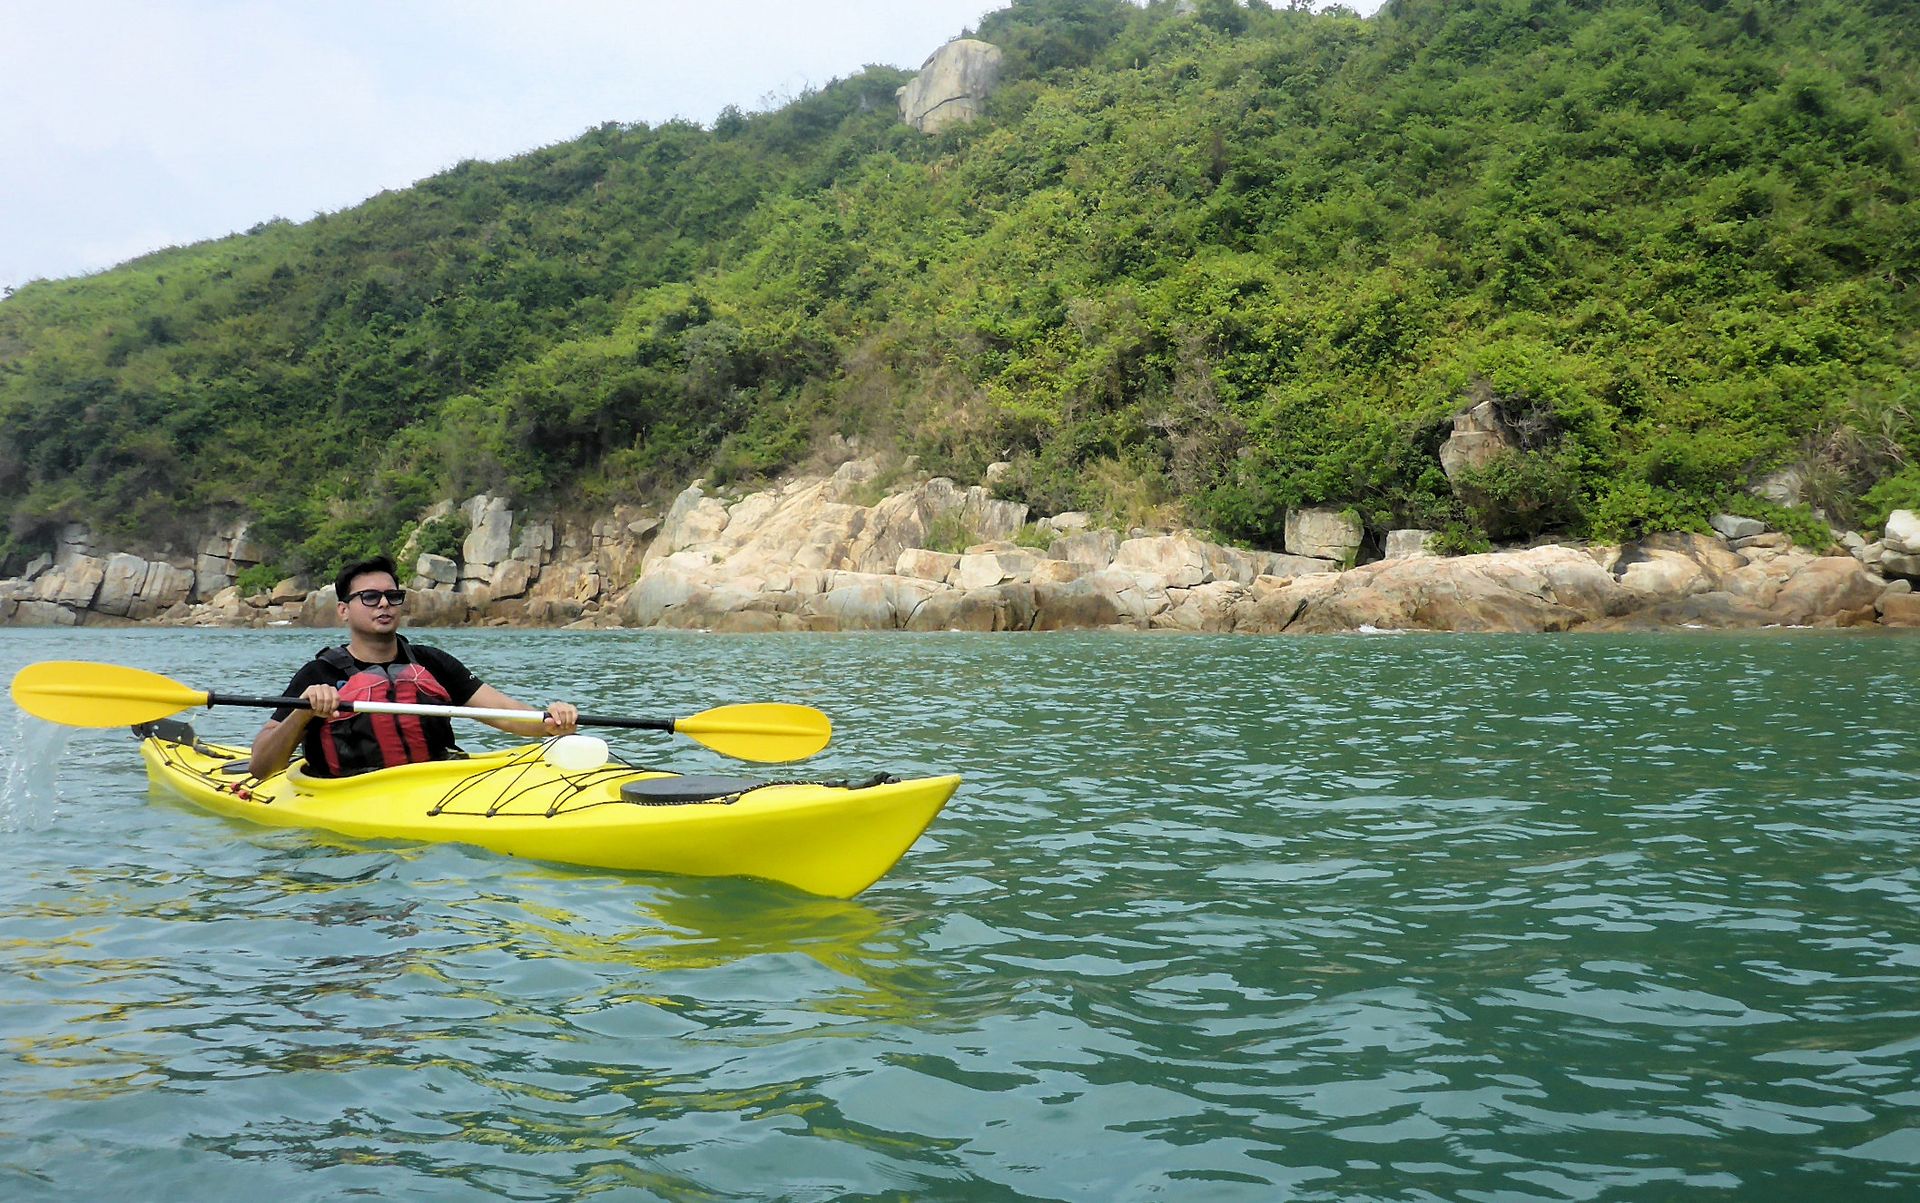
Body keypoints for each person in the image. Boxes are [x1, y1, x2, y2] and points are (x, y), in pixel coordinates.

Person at [250, 555, 578, 778]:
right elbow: (262, 767)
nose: (383, 604)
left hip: (431, 784)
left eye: (393, 596)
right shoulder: (318, 674)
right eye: (369, 597)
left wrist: (550, 721)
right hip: (348, 791)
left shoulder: (431, 662)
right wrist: (303, 712)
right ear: (343, 611)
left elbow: (505, 712)